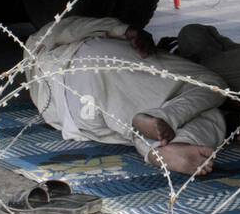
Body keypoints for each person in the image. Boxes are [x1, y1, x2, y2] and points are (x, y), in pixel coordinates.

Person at [23, 16, 229, 176]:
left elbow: (66, 30)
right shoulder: (42, 43)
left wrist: (122, 31)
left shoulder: (37, 79)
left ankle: (166, 146)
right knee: (211, 81)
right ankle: (165, 127)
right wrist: (125, 30)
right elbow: (68, 27)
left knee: (205, 111)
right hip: (93, 66)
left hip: (75, 118)